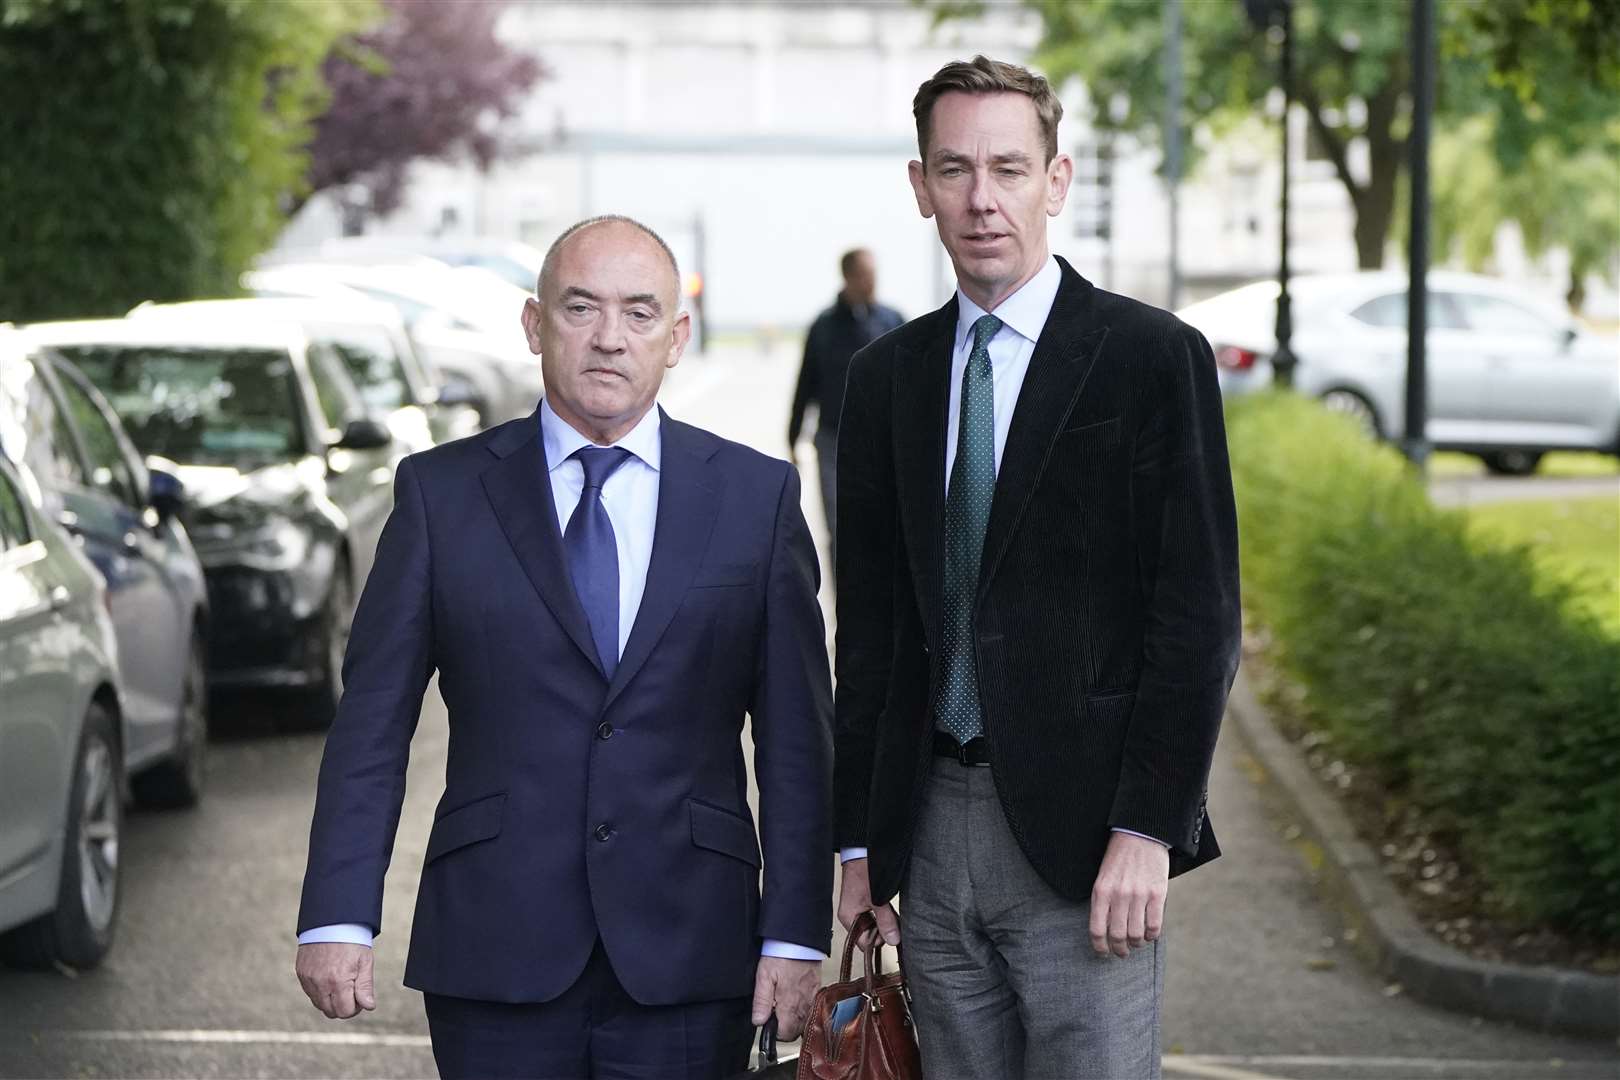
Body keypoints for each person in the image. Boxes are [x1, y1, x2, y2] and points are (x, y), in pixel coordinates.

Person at [294, 215, 834, 1080]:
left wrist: (797, 932)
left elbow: (799, 744)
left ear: (677, 337)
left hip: (692, 950)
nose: (610, 338)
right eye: (580, 308)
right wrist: (336, 914)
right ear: (533, 325)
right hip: (494, 945)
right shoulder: (441, 495)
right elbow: (371, 722)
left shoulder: (756, 497)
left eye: (639, 313)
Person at [832, 57, 1241, 1080]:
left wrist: (1151, 824)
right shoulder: (885, 379)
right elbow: (872, 629)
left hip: (1086, 839)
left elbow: (1197, 619)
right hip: (929, 832)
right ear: (920, 187)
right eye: (955, 169)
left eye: (1009, 168)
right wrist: (859, 845)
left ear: (1055, 182)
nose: (982, 199)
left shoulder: (1152, 357)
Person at [787, 248, 903, 538]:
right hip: (832, 440)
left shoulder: (892, 321)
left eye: (873, 275)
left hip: (884, 439)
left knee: (885, 524)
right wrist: (793, 437)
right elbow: (806, 384)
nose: (871, 282)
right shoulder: (824, 327)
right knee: (839, 525)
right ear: (847, 277)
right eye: (864, 275)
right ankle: (844, 585)